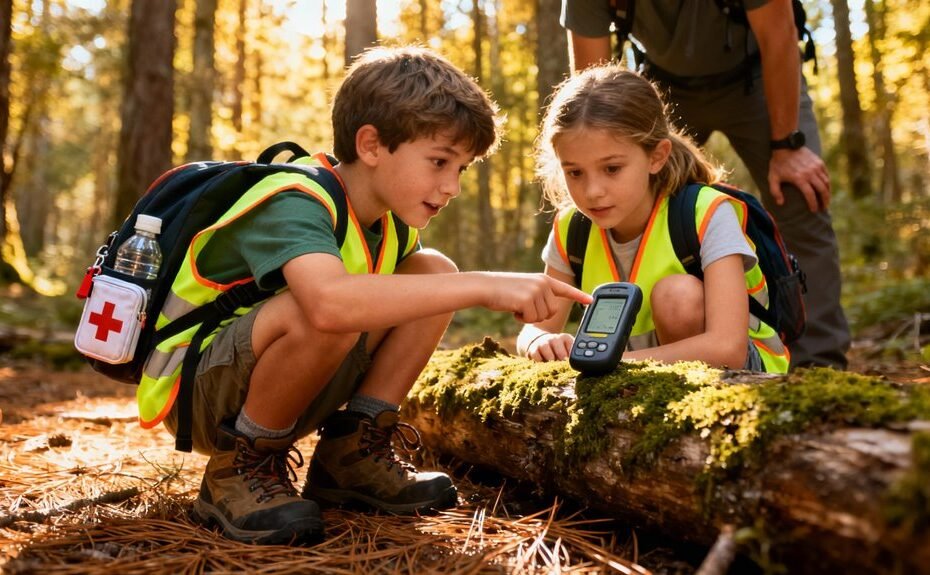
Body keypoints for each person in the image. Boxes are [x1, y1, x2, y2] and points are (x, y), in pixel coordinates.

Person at [136, 46, 591, 545]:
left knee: (433, 272)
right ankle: (238, 468)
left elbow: (399, 297)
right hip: (198, 396)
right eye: (439, 162)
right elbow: (329, 305)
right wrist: (486, 285)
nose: (452, 187)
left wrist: (462, 285)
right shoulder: (294, 201)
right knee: (328, 309)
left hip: (278, 381)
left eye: (460, 169)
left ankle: (352, 454)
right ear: (371, 145)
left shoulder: (390, 225)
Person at [561, 0, 849, 370]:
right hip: (664, 84)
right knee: (625, 195)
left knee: (799, 191)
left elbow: (778, 34)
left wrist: (787, 145)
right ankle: (660, 349)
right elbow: (590, 99)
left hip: (756, 74)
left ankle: (818, 366)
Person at [518, 64, 790, 373]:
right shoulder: (571, 229)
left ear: (656, 156)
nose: (593, 192)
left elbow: (727, 349)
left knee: (677, 295)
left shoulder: (706, 212)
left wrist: (610, 364)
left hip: (741, 374)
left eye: (612, 169)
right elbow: (535, 328)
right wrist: (538, 341)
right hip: (636, 377)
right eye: (575, 172)